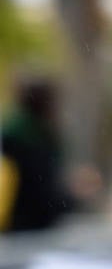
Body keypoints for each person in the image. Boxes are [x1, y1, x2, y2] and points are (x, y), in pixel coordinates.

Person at [0, 76, 83, 235]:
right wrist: (75, 195)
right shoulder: (34, 142)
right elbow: (43, 201)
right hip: (25, 236)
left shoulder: (11, 134)